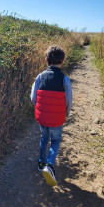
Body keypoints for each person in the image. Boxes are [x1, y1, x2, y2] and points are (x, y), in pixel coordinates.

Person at [30, 45, 72, 186]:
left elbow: (33, 97)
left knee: (44, 138)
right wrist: (66, 113)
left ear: (46, 60)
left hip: (43, 117)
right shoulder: (64, 79)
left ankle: (41, 164)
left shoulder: (40, 77)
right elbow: (68, 100)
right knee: (55, 140)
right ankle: (50, 165)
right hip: (57, 118)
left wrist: (39, 109)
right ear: (62, 61)